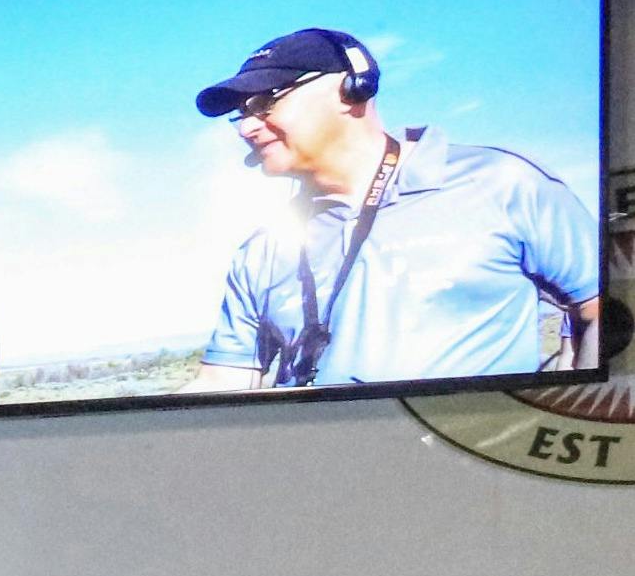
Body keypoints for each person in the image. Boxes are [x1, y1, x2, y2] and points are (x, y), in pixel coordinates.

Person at [188, 25, 599, 391]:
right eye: (240, 114)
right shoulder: (262, 249)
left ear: (351, 88)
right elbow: (226, 379)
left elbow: (603, 308)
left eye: (264, 102)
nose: (246, 127)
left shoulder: (501, 183)